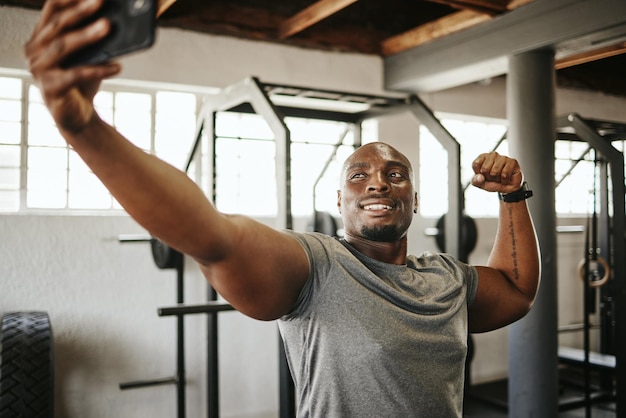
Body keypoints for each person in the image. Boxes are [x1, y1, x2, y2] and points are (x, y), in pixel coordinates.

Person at [24, 0, 541, 416]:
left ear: (414, 198)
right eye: (358, 177)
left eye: (394, 174)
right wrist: (84, 128)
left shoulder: (446, 280)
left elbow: (517, 291)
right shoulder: (316, 266)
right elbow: (212, 235)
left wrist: (513, 193)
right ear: (340, 202)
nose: (378, 184)